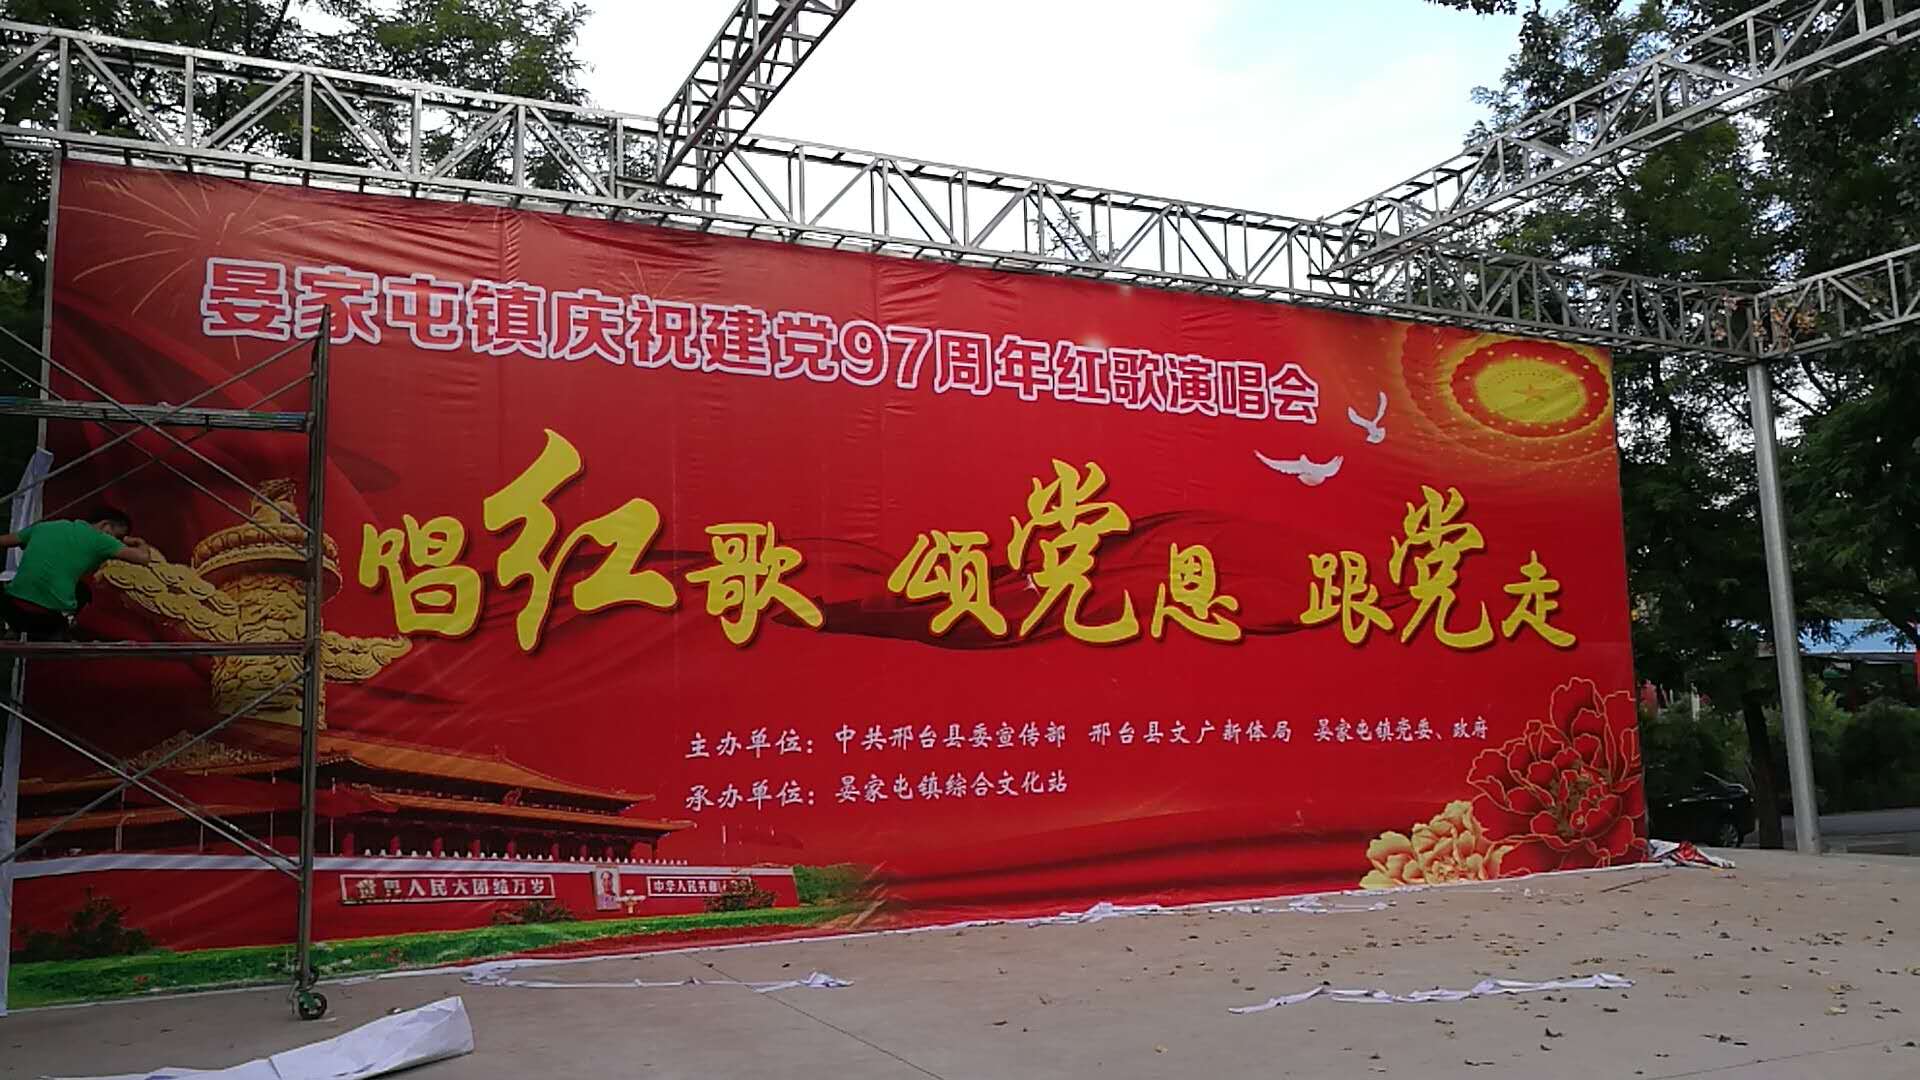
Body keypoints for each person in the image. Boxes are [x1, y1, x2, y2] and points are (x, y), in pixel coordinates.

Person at [0, 509, 158, 638]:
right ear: (105, 525)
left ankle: (14, 629)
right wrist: (139, 543)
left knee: (77, 588)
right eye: (118, 537)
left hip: (11, 608)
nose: (118, 542)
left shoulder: (44, 527)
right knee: (83, 592)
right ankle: (67, 627)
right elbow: (143, 558)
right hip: (46, 618)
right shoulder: (101, 539)